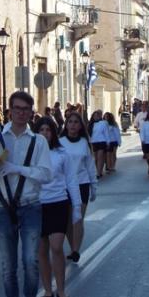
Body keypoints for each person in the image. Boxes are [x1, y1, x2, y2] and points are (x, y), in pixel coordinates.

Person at [0, 91, 52, 297]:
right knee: (8, 266)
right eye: (17, 108)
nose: (20, 113)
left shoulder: (39, 141)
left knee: (30, 261)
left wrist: (17, 169)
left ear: (31, 112)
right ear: (10, 111)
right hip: (4, 206)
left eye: (25, 109)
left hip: (30, 205)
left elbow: (46, 174)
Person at [35, 116, 82, 297]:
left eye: (48, 130)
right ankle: (48, 290)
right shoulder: (31, 153)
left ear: (53, 133)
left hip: (58, 203)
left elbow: (71, 180)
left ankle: (61, 290)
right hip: (37, 206)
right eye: (41, 130)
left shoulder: (62, 153)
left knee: (56, 247)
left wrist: (77, 207)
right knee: (41, 250)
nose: (45, 133)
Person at [60, 111, 97, 263]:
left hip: (82, 184)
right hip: (65, 186)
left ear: (80, 126)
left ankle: (76, 250)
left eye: (76, 122)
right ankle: (72, 246)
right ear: (66, 124)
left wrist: (94, 186)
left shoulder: (84, 143)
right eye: (70, 122)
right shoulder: (60, 142)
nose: (73, 125)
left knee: (78, 218)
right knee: (68, 221)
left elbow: (90, 166)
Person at [89, 110, 109, 178]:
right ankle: (96, 171)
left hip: (101, 141)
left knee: (100, 157)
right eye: (94, 116)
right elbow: (88, 135)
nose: (96, 117)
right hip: (93, 142)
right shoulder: (91, 124)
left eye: (97, 116)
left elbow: (106, 133)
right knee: (95, 159)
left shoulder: (103, 123)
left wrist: (108, 142)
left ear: (100, 116)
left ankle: (98, 173)